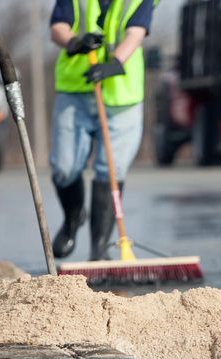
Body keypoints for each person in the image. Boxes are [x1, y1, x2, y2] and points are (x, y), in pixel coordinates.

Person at [49, 0, 157, 261]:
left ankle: (99, 252)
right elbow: (58, 27)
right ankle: (73, 218)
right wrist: (75, 42)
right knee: (64, 168)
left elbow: (136, 31)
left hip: (121, 98)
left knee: (110, 169)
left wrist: (115, 62)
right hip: (76, 91)